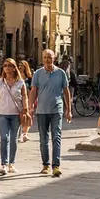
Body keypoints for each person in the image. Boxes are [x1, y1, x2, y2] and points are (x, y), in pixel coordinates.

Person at [30, 49, 73, 177]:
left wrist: (69, 110)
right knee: (43, 139)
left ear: (54, 58)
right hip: (42, 111)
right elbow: (33, 91)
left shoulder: (61, 73)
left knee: (56, 137)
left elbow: (66, 91)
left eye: (49, 57)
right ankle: (46, 165)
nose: (47, 60)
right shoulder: (37, 74)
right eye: (45, 57)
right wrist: (31, 107)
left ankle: (56, 166)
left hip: (56, 110)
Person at [0, 59, 29, 175]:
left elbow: (25, 97)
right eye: (5, 66)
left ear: (14, 68)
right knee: (4, 138)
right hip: (2, 114)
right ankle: (4, 164)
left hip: (16, 114)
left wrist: (25, 110)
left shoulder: (20, 82)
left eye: (9, 66)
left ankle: (11, 163)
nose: (7, 68)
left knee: (13, 139)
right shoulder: (0, 81)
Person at [18, 60, 35, 142]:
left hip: (28, 98)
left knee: (29, 116)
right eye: (19, 65)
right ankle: (19, 133)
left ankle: (25, 133)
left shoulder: (30, 78)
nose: (20, 67)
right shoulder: (16, 77)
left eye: (22, 65)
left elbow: (33, 89)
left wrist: (33, 99)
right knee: (19, 116)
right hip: (18, 99)